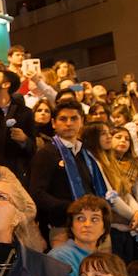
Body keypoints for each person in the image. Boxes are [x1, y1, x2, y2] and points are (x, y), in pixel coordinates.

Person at [29, 101, 100, 248]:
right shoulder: (46, 153)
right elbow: (37, 193)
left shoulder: (87, 152)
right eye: (63, 119)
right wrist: (70, 207)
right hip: (62, 227)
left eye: (74, 118)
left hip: (93, 225)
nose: (69, 123)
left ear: (82, 121)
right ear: (53, 123)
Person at [81, 122, 138, 261]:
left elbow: (124, 192)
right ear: (93, 138)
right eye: (104, 134)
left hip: (126, 227)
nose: (109, 137)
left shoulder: (111, 162)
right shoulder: (92, 161)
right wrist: (133, 216)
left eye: (109, 133)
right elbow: (109, 195)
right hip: (112, 227)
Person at [49, 195, 111, 276]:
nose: (87, 224)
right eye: (80, 218)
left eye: (95, 219)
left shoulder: (106, 261)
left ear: (104, 228)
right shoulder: (58, 257)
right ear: (72, 226)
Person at [0, 68, 35, 180]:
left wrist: (24, 140)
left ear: (6, 84)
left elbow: (33, 148)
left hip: (15, 174)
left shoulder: (25, 113)